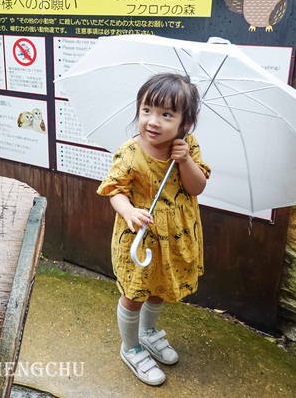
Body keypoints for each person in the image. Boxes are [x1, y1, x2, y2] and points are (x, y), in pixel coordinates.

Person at [96, 72, 210, 386]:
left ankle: (148, 333)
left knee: (159, 288)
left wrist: (185, 160)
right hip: (141, 237)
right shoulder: (131, 152)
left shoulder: (188, 146)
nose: (153, 121)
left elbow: (196, 187)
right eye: (147, 110)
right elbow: (113, 190)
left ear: (185, 123)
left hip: (176, 235)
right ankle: (130, 346)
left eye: (166, 114)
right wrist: (129, 210)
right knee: (135, 293)